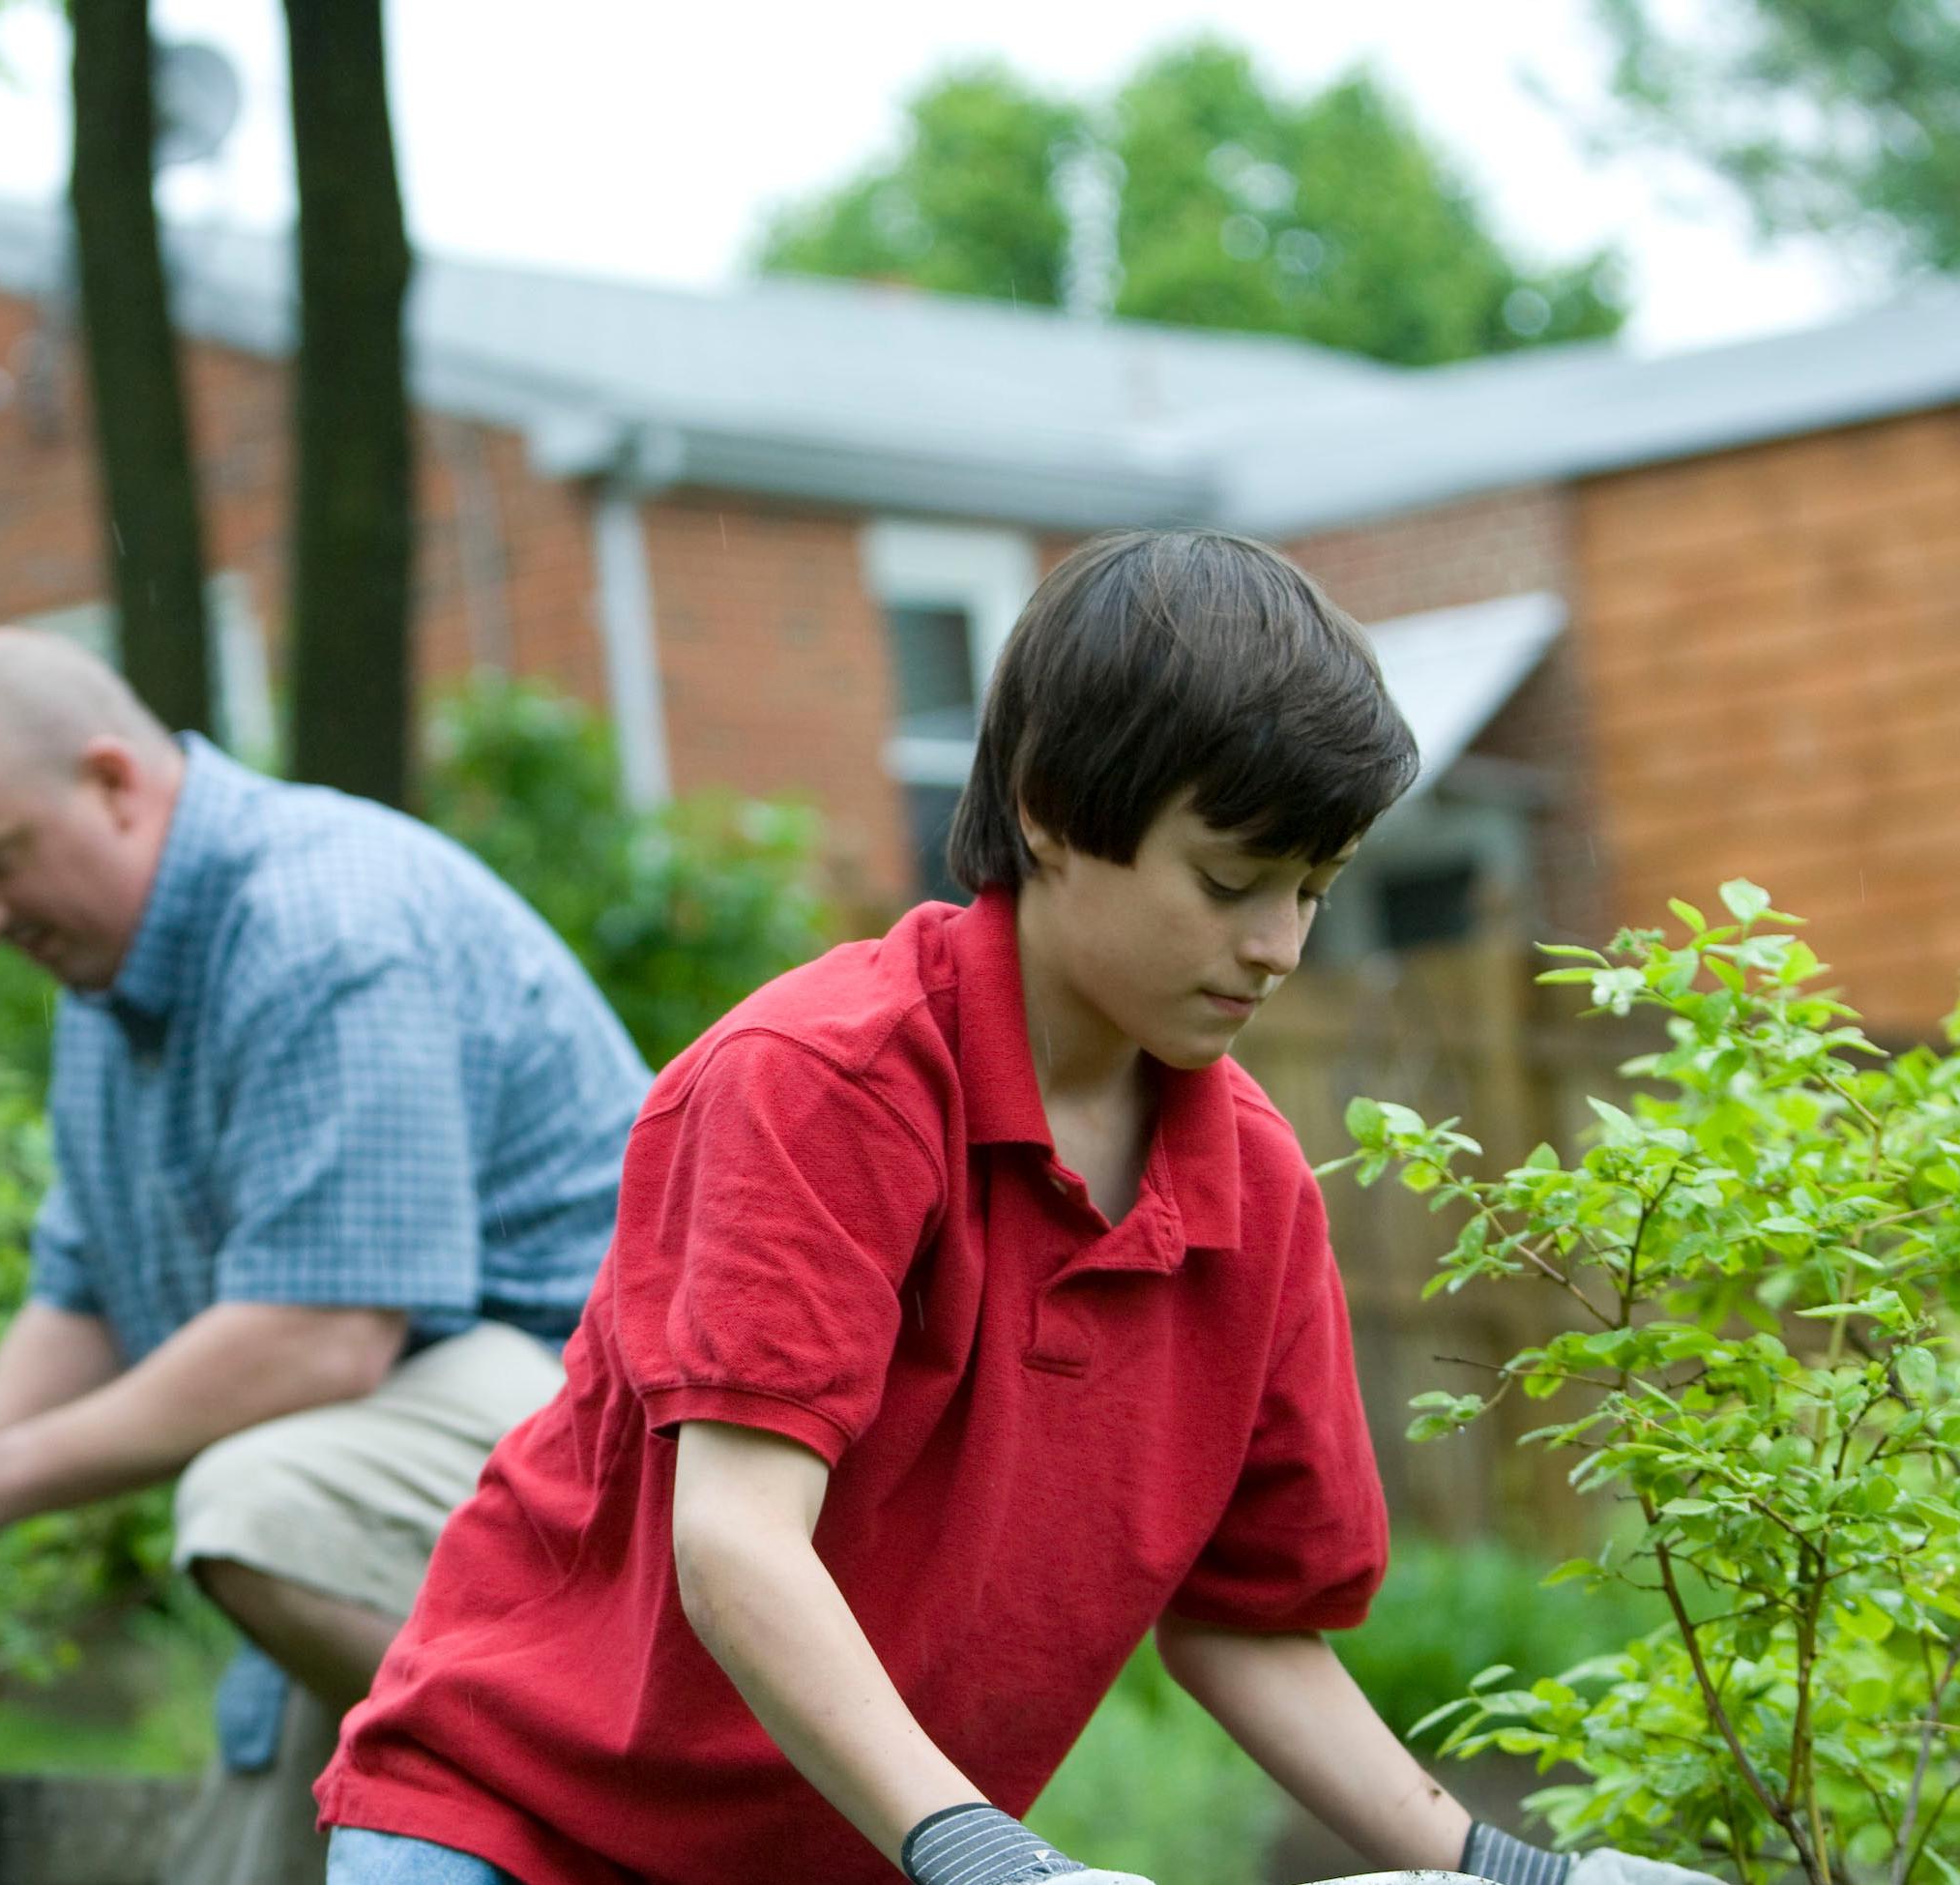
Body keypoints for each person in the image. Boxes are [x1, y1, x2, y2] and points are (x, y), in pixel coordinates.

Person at [314, 531, 1723, 1885]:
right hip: (515, 1836)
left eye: (1314, 887)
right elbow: (737, 1539)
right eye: (1232, 879)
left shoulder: (1257, 1191)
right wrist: (991, 1855)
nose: (1280, 945)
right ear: (1052, 810)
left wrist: (1529, 1874)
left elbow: (1247, 1626)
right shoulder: (822, 1086)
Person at [0, 627, 653, 1885]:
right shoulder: (111, 998)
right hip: (421, 1483)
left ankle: (668, 1821)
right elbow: (86, 1290)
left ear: (113, 782)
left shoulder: (322, 926)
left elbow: (322, 1335)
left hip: (619, 1456)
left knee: (258, 1500)